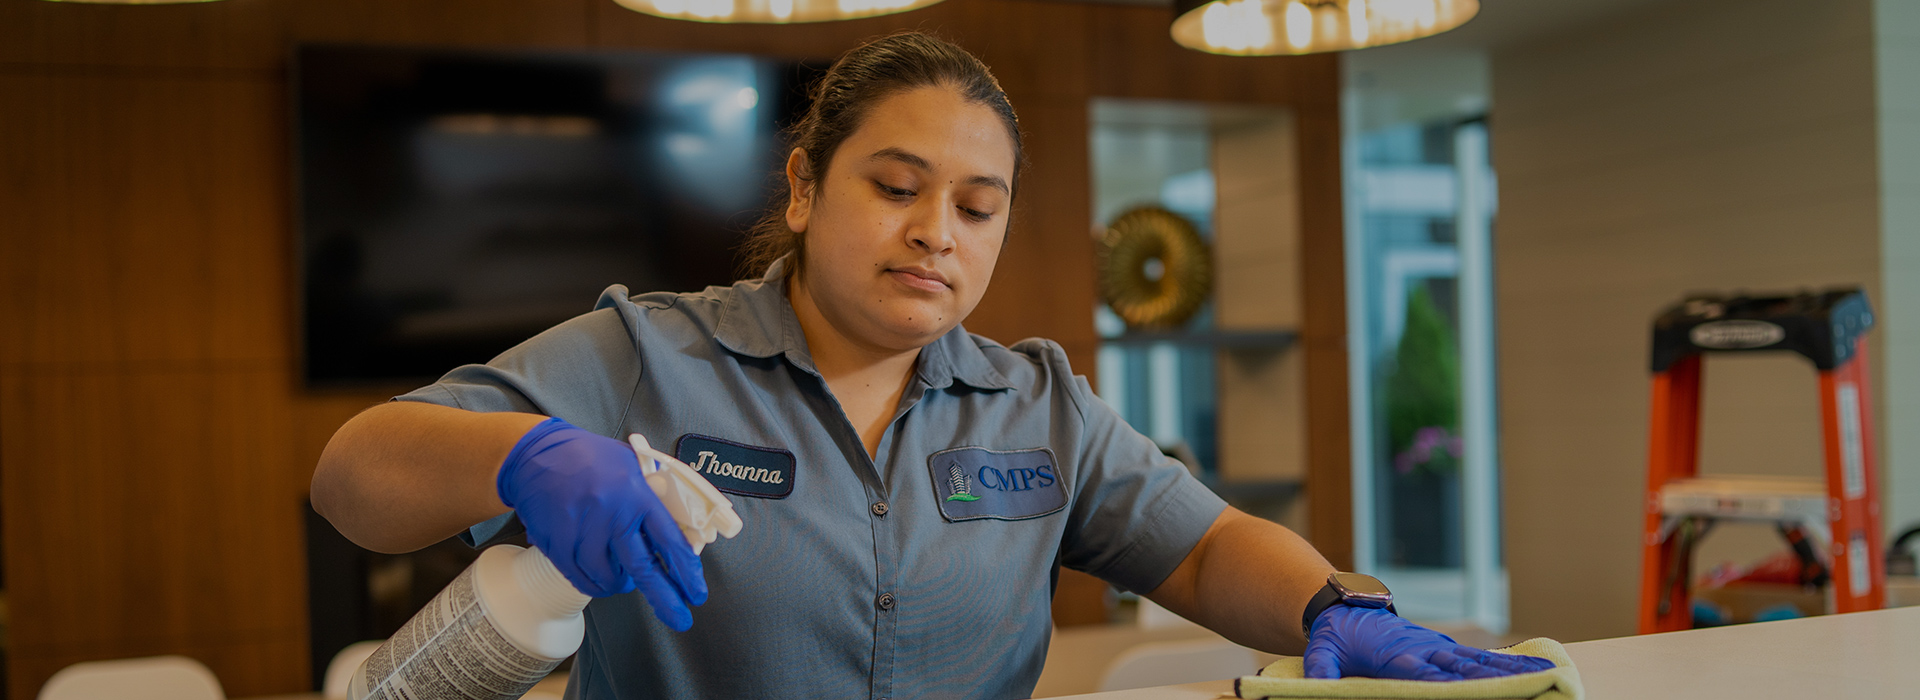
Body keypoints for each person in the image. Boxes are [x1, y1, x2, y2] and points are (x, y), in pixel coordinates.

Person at [311, 31, 1552, 699]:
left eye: (977, 205)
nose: (934, 233)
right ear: (803, 187)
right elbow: (352, 476)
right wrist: (525, 452)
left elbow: (1203, 545)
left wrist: (1340, 603)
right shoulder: (647, 356)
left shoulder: (1037, 401)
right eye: (896, 188)